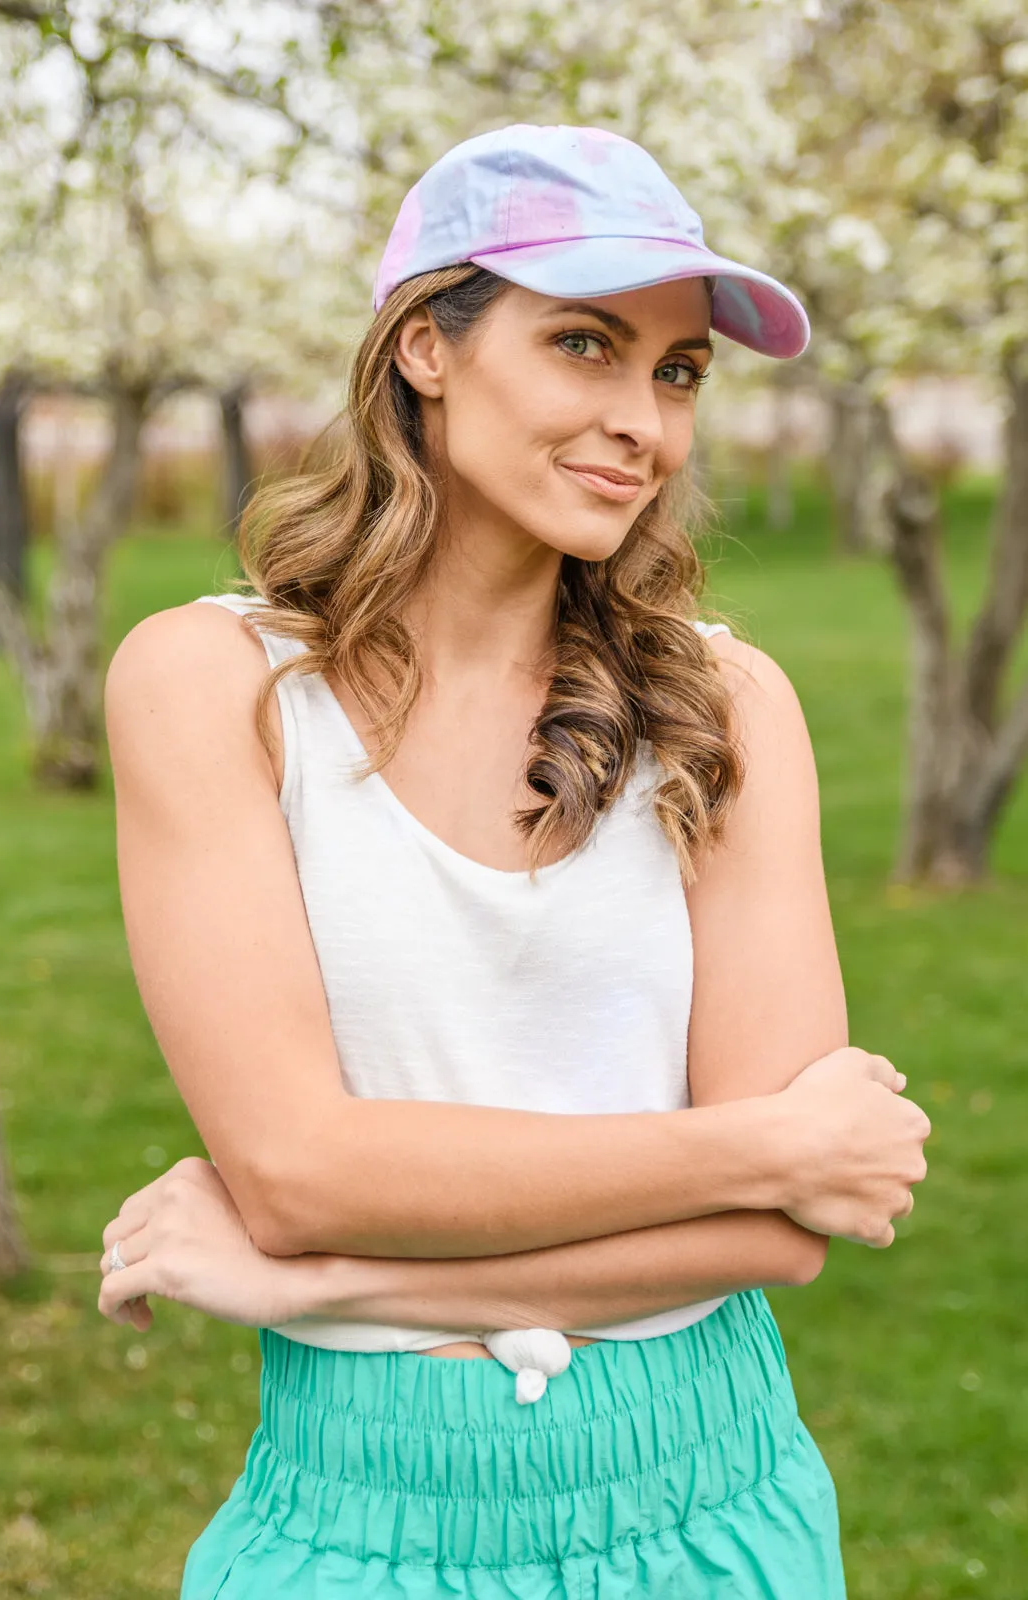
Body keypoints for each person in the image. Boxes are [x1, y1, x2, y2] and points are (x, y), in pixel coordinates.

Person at [97, 124, 930, 1597]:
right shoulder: (209, 686)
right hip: (358, 1517)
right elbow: (295, 1170)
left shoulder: (727, 708)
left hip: (713, 1500)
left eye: (676, 372)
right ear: (426, 345)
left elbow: (776, 1243)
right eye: (586, 347)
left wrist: (322, 1279)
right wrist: (760, 1146)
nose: (644, 424)